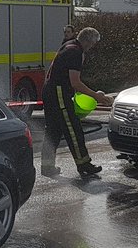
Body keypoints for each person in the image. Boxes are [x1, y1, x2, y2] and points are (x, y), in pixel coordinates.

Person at [41, 27, 113, 178]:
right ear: (88, 41)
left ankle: (47, 166)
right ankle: (84, 164)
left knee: (53, 129)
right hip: (58, 92)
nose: (92, 47)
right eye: (92, 44)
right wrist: (97, 96)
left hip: (50, 90)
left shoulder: (69, 45)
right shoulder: (75, 52)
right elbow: (75, 82)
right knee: (73, 128)